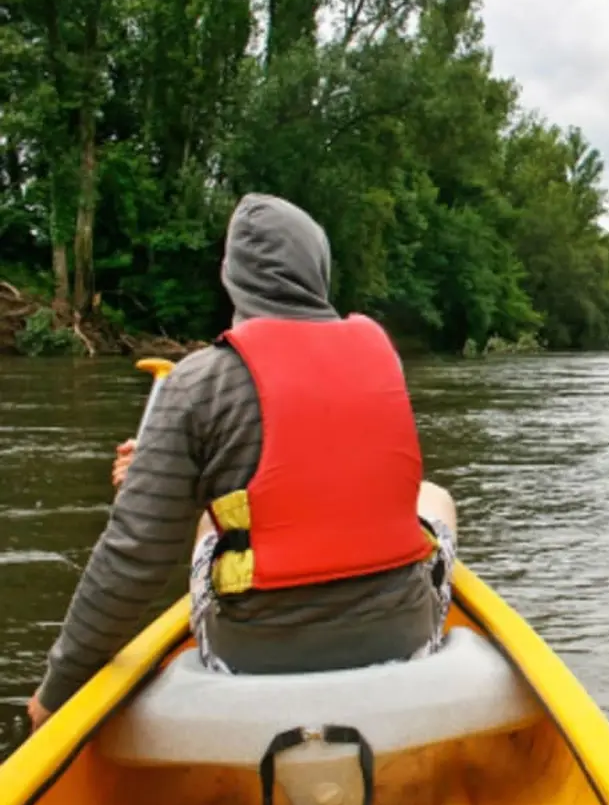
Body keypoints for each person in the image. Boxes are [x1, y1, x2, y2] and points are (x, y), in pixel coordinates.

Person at [28, 194, 458, 731]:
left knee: (209, 525)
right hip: (402, 638)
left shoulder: (198, 380)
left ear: (231, 277)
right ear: (318, 272)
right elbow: (327, 471)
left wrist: (56, 691)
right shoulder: (382, 356)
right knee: (434, 496)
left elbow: (134, 557)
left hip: (250, 657)